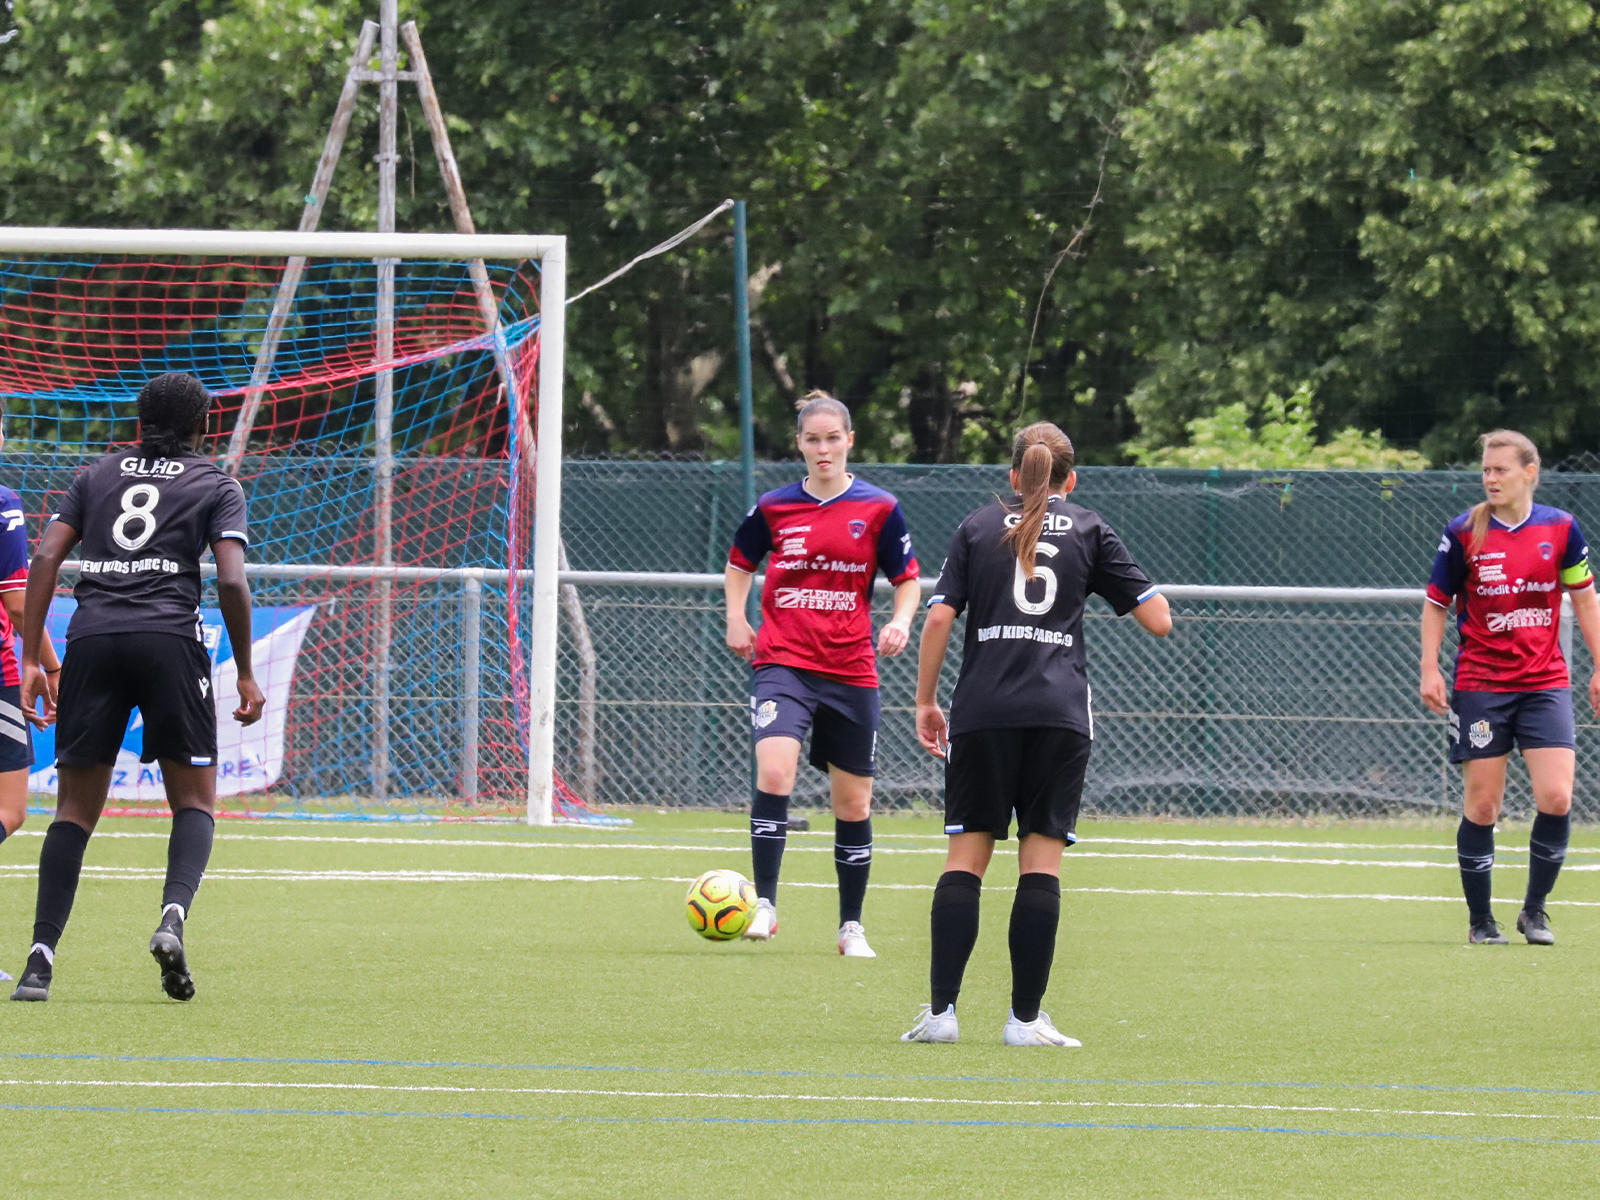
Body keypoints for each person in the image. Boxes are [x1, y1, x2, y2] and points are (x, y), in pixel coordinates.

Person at [903, 422, 1170, 1046]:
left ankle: (941, 1014)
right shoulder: (1089, 528)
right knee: (1039, 865)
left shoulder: (976, 526)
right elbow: (1158, 619)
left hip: (983, 711)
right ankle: (1024, 1021)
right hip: (1059, 714)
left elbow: (940, 616)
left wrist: (924, 700)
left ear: (1013, 477)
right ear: (1068, 480)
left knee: (965, 859)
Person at [10, 372, 265, 1003]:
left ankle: (39, 962)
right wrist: (247, 670)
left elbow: (44, 561)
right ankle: (172, 918)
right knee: (195, 801)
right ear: (203, 427)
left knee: (73, 811)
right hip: (169, 642)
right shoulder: (215, 482)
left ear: (138, 423)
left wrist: (31, 658)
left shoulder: (95, 475)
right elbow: (231, 581)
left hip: (92, 639)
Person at [724, 391, 921, 957]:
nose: (824, 448)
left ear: (850, 441)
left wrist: (902, 621)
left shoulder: (880, 507)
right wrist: (737, 618)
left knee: (853, 804)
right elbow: (741, 562)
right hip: (783, 660)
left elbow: (907, 577)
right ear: (800, 445)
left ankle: (850, 926)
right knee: (776, 771)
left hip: (851, 668)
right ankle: (764, 904)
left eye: (833, 437)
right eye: (813, 439)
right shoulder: (775, 506)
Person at [1420, 430, 1599, 946]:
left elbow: (1586, 600)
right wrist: (1430, 667)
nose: (1490, 478)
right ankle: (1481, 922)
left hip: (1544, 682)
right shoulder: (1464, 531)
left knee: (1557, 796)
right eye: (1486, 470)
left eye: (1501, 469)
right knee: (1482, 807)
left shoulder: (1562, 529)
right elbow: (1436, 603)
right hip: (1481, 684)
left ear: (1530, 472)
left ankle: (1534, 913)